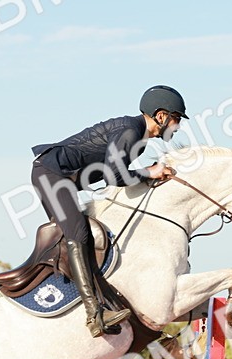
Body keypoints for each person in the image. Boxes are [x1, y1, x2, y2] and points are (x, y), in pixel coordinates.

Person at [31, 85, 187, 337]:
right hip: (52, 175)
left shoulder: (139, 139)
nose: (177, 126)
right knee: (80, 234)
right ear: (160, 116)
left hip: (62, 179)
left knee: (82, 235)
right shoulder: (130, 131)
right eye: (176, 119)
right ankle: (95, 314)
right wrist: (150, 172)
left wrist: (149, 176)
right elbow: (114, 176)